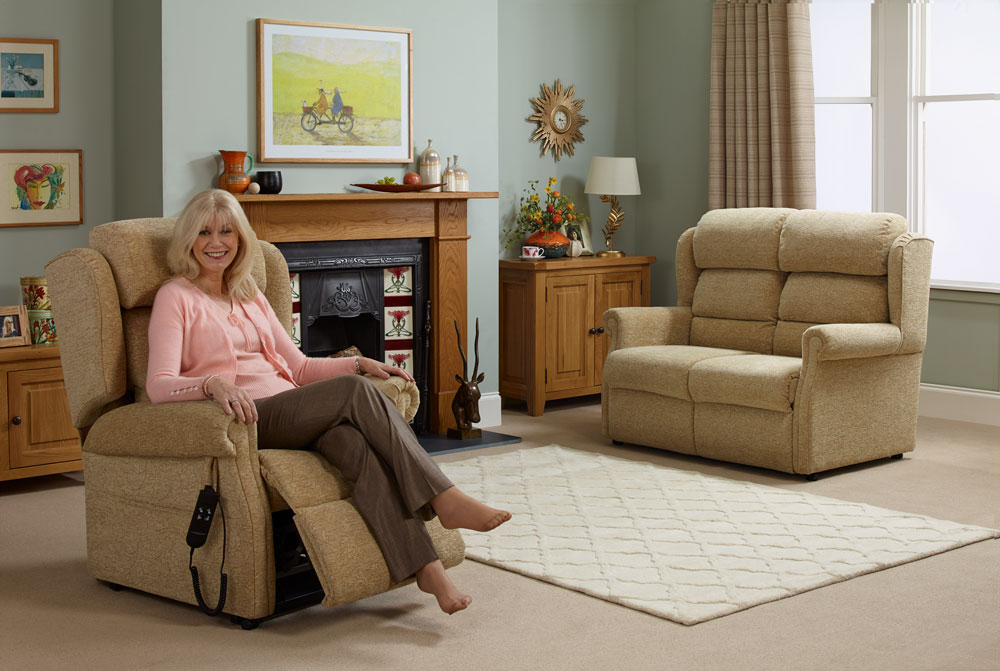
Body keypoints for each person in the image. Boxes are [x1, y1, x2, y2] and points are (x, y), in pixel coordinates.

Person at [146, 189, 510, 615]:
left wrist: (360, 364)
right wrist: (211, 384)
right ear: (188, 239)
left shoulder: (250, 294)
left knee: (357, 448)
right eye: (205, 231)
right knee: (356, 394)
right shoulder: (177, 296)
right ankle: (443, 497)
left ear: (240, 238)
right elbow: (159, 386)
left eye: (227, 231)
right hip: (249, 417)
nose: (216, 241)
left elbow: (299, 368)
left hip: (294, 406)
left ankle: (429, 570)